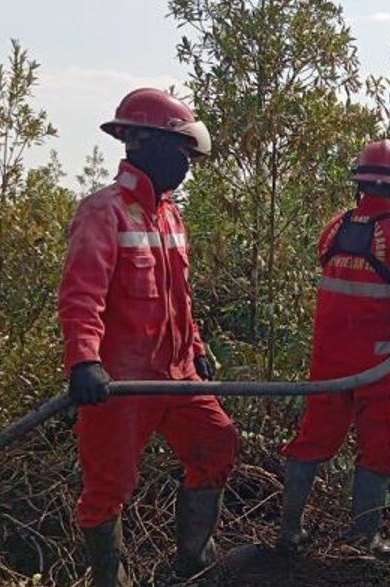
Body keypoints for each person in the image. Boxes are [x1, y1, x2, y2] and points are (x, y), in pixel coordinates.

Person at [58, 88, 238, 585]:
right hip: (120, 385)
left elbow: (179, 295)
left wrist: (196, 350)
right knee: (107, 487)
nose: (185, 164)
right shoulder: (104, 212)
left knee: (216, 441)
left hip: (177, 376)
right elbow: (82, 294)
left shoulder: (171, 214)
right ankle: (110, 580)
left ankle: (192, 562)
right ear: (146, 145)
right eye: (180, 153)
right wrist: (83, 362)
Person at [277, 140, 390, 556]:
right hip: (380, 366)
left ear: (360, 185)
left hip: (329, 365)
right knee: (380, 446)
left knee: (311, 441)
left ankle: (289, 531)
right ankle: (365, 538)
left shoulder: (335, 229)